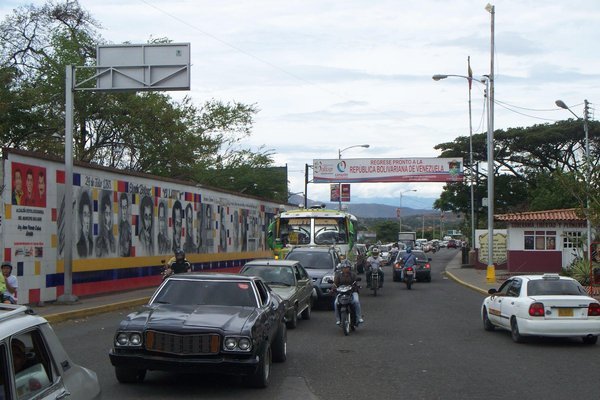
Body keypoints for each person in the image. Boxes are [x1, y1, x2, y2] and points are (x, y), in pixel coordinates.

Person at [331, 260, 363, 324]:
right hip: (341, 293)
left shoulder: (353, 274)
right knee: (336, 303)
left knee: (356, 301)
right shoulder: (338, 275)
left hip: (352, 292)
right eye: (344, 268)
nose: (345, 269)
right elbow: (335, 284)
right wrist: (333, 288)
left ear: (349, 268)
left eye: (347, 267)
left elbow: (356, 281)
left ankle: (359, 317)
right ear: (341, 268)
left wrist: (356, 286)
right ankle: (338, 319)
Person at [95, 191, 116, 257]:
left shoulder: (112, 238)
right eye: (106, 214)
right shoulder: (99, 241)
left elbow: (113, 254)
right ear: (102, 215)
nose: (108, 218)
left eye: (109, 214)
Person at [76, 191, 93, 258]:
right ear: (81, 217)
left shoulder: (91, 243)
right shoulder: (78, 246)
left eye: (88, 215)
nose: (87, 220)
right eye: (85, 215)